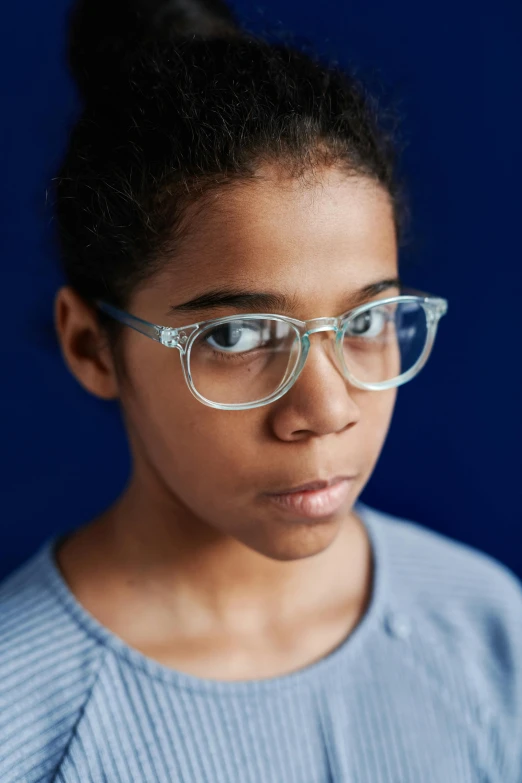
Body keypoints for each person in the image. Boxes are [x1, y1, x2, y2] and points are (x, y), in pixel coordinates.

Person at [1, 0, 521, 780]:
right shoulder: (26, 713)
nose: (328, 410)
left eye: (367, 320)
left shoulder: (486, 628)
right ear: (92, 345)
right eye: (237, 336)